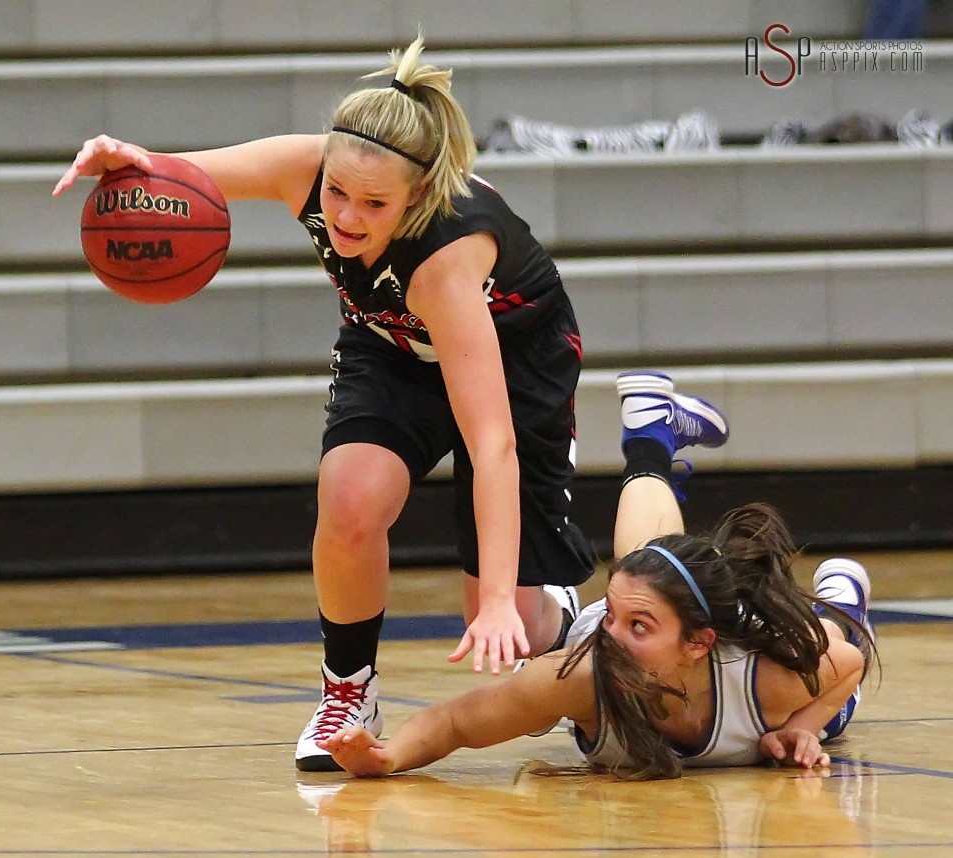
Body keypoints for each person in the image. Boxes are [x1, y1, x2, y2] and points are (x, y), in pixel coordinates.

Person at [52, 35, 594, 772]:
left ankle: (562, 616)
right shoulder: (308, 168)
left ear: (416, 197)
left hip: (512, 360)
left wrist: (499, 597)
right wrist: (123, 159)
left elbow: (491, 440)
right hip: (391, 345)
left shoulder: (444, 258)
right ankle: (347, 690)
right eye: (337, 191)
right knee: (348, 499)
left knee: (511, 635)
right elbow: (182, 179)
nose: (345, 216)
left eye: (375, 204)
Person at [316, 371, 877, 779]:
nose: (612, 635)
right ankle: (650, 438)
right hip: (667, 603)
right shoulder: (578, 675)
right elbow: (460, 722)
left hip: (776, 651)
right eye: (611, 615)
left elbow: (849, 665)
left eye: (637, 627)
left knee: (834, 677)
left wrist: (805, 724)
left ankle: (840, 600)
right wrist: (387, 756)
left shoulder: (764, 678)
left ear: (698, 645)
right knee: (646, 562)